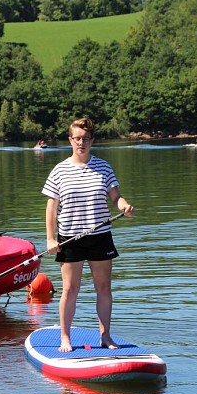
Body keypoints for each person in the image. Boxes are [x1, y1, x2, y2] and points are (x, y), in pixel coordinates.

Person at [42, 117, 134, 352]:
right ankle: (65, 337)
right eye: (77, 138)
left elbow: (115, 196)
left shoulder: (103, 167)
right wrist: (51, 239)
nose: (81, 143)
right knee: (70, 289)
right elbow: (51, 207)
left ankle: (105, 336)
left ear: (92, 140)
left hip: (100, 235)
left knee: (103, 288)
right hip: (70, 237)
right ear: (70, 140)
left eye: (86, 139)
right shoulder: (60, 170)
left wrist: (123, 205)